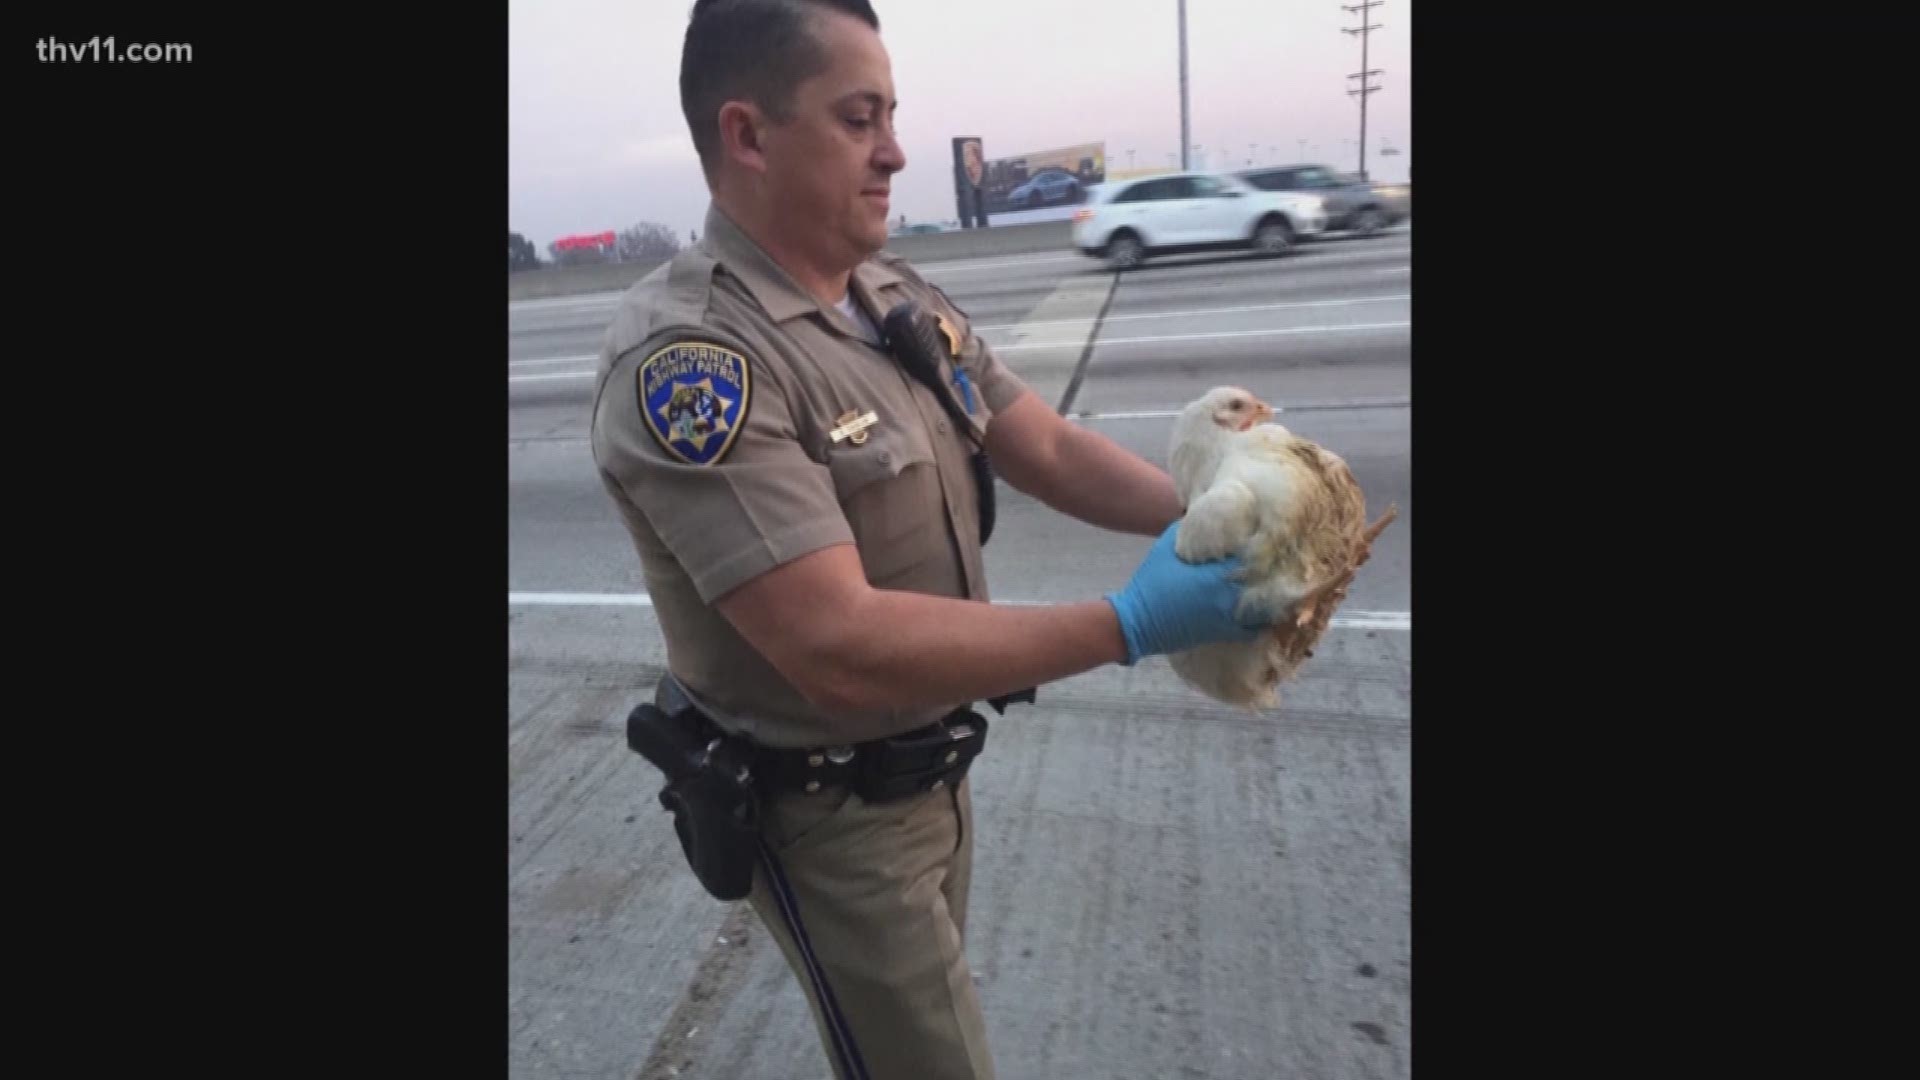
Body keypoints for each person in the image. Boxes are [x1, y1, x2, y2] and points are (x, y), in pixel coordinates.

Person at [588, 2, 1265, 1077]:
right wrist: (1128, 624)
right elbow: (836, 643)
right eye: (859, 118)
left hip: (934, 778)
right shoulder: (695, 361)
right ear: (748, 135)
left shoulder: (889, 296)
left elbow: (1035, 439)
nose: (898, 151)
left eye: (892, 113)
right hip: (828, 818)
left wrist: (1213, 507)